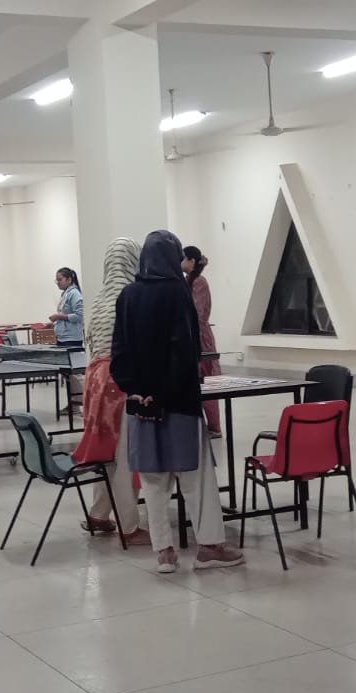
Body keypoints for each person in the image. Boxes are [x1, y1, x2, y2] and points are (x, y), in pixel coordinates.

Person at [113, 230, 243, 574]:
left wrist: (136, 390)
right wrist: (165, 392)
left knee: (153, 480)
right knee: (195, 476)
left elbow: (119, 351)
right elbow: (184, 351)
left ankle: (165, 553)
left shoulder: (127, 295)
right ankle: (209, 547)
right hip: (179, 401)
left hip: (141, 405)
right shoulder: (177, 292)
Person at [72, 237, 148, 545]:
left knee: (106, 452)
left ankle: (99, 513)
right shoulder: (131, 297)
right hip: (120, 382)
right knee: (127, 454)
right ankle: (129, 526)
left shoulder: (100, 298)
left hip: (96, 383)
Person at [182, 246, 223, 438]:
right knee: (194, 382)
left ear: (192, 261)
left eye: (183, 258)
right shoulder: (187, 281)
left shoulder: (199, 282)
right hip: (190, 335)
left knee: (207, 381)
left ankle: (214, 427)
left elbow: (197, 314)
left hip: (200, 336)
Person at [51, 267, 85, 414]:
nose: (57, 282)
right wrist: (55, 322)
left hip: (72, 339)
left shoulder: (75, 294)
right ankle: (74, 405)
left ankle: (83, 404)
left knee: (75, 374)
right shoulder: (65, 294)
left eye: (60, 279)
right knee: (69, 375)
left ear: (69, 279)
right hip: (63, 338)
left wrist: (59, 317)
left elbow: (79, 315)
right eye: (56, 280)